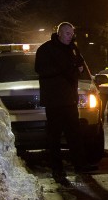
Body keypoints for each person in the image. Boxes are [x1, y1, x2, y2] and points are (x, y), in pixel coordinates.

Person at [35, 22, 97, 184]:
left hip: (69, 99)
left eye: (72, 33)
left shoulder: (73, 49)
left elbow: (80, 67)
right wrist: (69, 68)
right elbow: (42, 70)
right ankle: (57, 168)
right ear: (60, 33)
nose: (71, 36)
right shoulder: (46, 49)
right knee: (54, 136)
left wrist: (75, 68)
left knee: (74, 134)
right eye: (68, 33)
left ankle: (80, 165)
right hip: (54, 101)